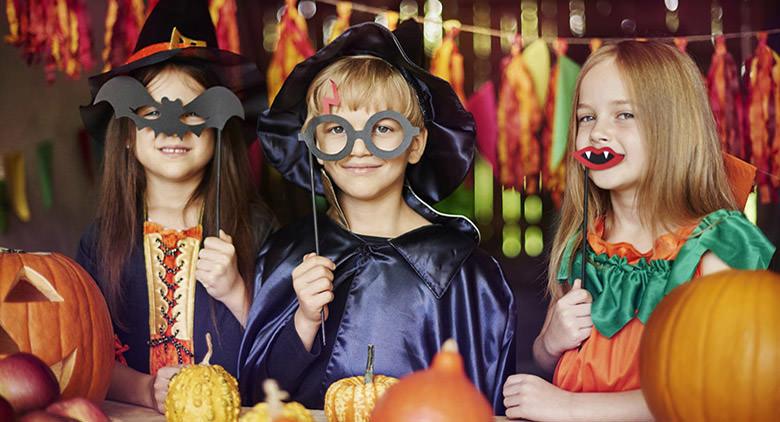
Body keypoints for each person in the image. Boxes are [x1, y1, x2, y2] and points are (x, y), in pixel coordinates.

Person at [239, 22, 516, 414]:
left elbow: (482, 402)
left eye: (382, 128)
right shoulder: (287, 256)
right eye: (336, 128)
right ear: (315, 144)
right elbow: (255, 397)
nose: (359, 148)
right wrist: (302, 321)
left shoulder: (465, 274)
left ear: (415, 144)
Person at [502, 40, 775, 421]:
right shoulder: (583, 245)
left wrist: (568, 407)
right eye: (586, 117)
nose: (598, 133)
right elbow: (550, 360)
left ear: (674, 127)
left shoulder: (715, 249)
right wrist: (549, 343)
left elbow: (714, 396)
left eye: (624, 115)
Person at [76, 0, 274, 413]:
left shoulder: (258, 229)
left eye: (194, 114)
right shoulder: (101, 240)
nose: (174, 129)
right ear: (128, 134)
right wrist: (146, 390)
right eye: (151, 112)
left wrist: (238, 294)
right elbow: (80, 353)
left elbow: (286, 357)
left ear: (219, 129)